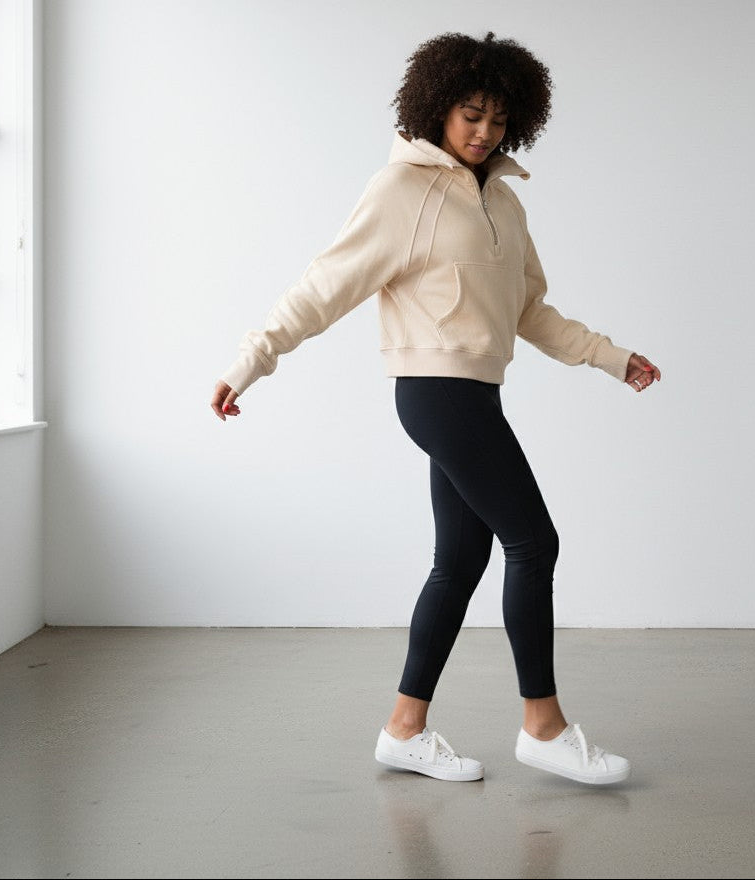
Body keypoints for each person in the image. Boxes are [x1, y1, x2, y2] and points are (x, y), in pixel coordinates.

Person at [211, 31, 661, 786]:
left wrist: (612, 358)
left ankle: (404, 729)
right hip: (435, 394)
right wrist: (251, 361)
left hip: (474, 393)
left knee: (460, 560)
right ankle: (542, 726)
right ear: (437, 109)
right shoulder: (400, 194)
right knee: (534, 543)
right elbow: (325, 287)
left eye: (497, 120)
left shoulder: (506, 204)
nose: (484, 132)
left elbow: (531, 312)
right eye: (470, 115)